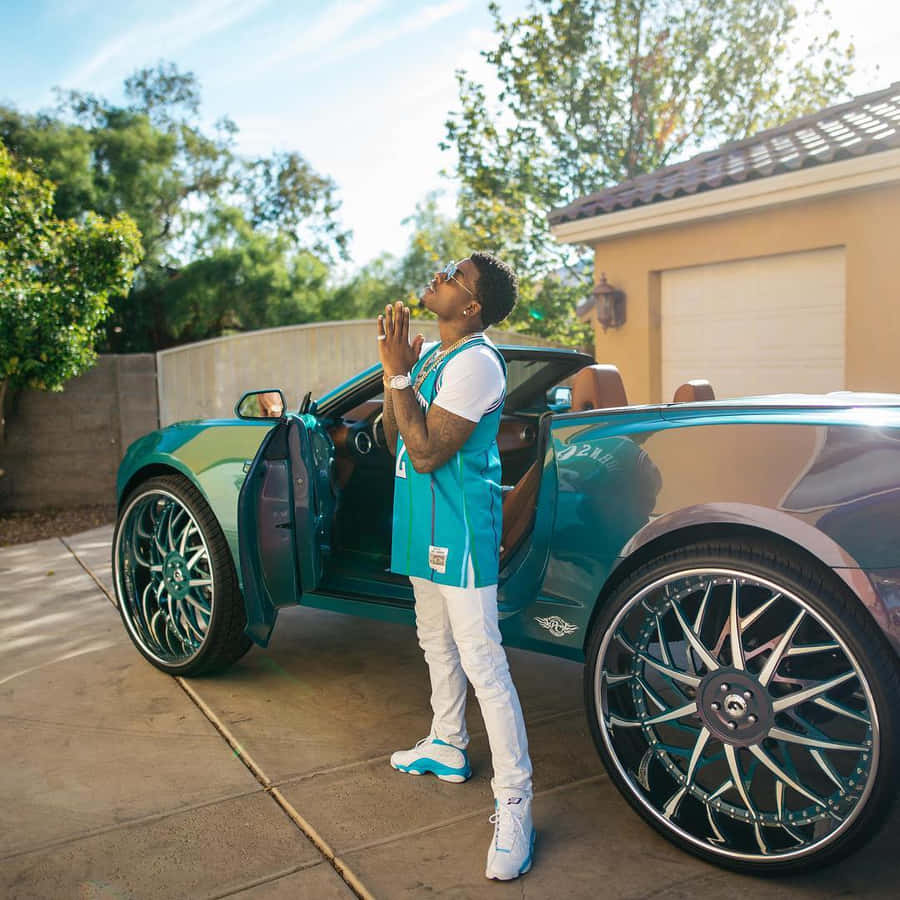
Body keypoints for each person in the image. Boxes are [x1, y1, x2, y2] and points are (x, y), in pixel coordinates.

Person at [376, 253, 534, 882]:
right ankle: (446, 744)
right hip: (422, 526)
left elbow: (428, 451)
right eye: (444, 269)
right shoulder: (437, 358)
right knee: (434, 640)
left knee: (483, 662)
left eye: (452, 276)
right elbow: (395, 440)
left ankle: (515, 801)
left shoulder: (475, 362)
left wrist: (395, 374)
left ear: (471, 307)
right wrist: (401, 379)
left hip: (462, 533)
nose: (437, 276)